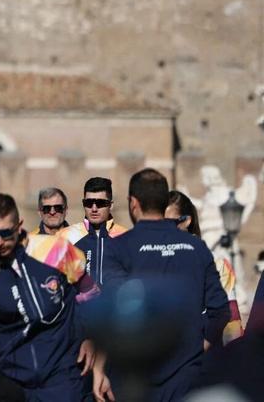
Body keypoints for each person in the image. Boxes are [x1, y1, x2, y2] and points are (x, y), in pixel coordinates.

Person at [94, 169, 229, 401]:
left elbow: (113, 314)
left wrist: (99, 369)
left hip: (135, 378)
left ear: (133, 203)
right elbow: (220, 311)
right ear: (164, 202)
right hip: (186, 377)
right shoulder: (196, 248)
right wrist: (196, 350)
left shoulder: (119, 248)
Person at [0, 193, 98, 400]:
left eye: (5, 233)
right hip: (17, 385)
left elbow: (90, 292)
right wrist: (5, 362)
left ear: (19, 225)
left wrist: (91, 336)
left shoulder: (55, 249)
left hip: (65, 376)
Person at [166, 190, 243, 345]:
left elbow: (231, 325)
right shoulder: (149, 260)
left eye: (169, 223)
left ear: (187, 221)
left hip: (205, 359)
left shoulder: (217, 263)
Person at [60, 177, 128, 285]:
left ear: (111, 205)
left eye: (100, 203)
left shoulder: (125, 237)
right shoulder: (65, 236)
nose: (94, 208)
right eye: (88, 203)